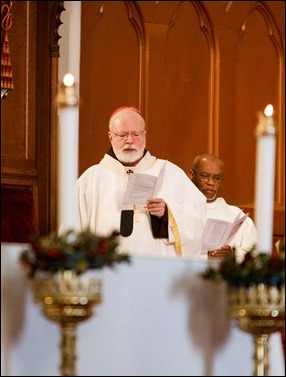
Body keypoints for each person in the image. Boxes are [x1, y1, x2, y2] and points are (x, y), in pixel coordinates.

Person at [75, 106, 207, 258]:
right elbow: (73, 229)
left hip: (156, 269)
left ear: (144, 135)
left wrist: (167, 213)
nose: (130, 141)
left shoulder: (170, 173)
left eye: (136, 134)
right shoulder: (91, 179)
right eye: (122, 135)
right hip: (106, 269)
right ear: (110, 137)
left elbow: (197, 221)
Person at [190, 153, 257, 262]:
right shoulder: (179, 211)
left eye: (217, 178)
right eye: (204, 176)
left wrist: (232, 255)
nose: (211, 182)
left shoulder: (238, 216)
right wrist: (205, 257)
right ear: (191, 175)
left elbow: (255, 255)